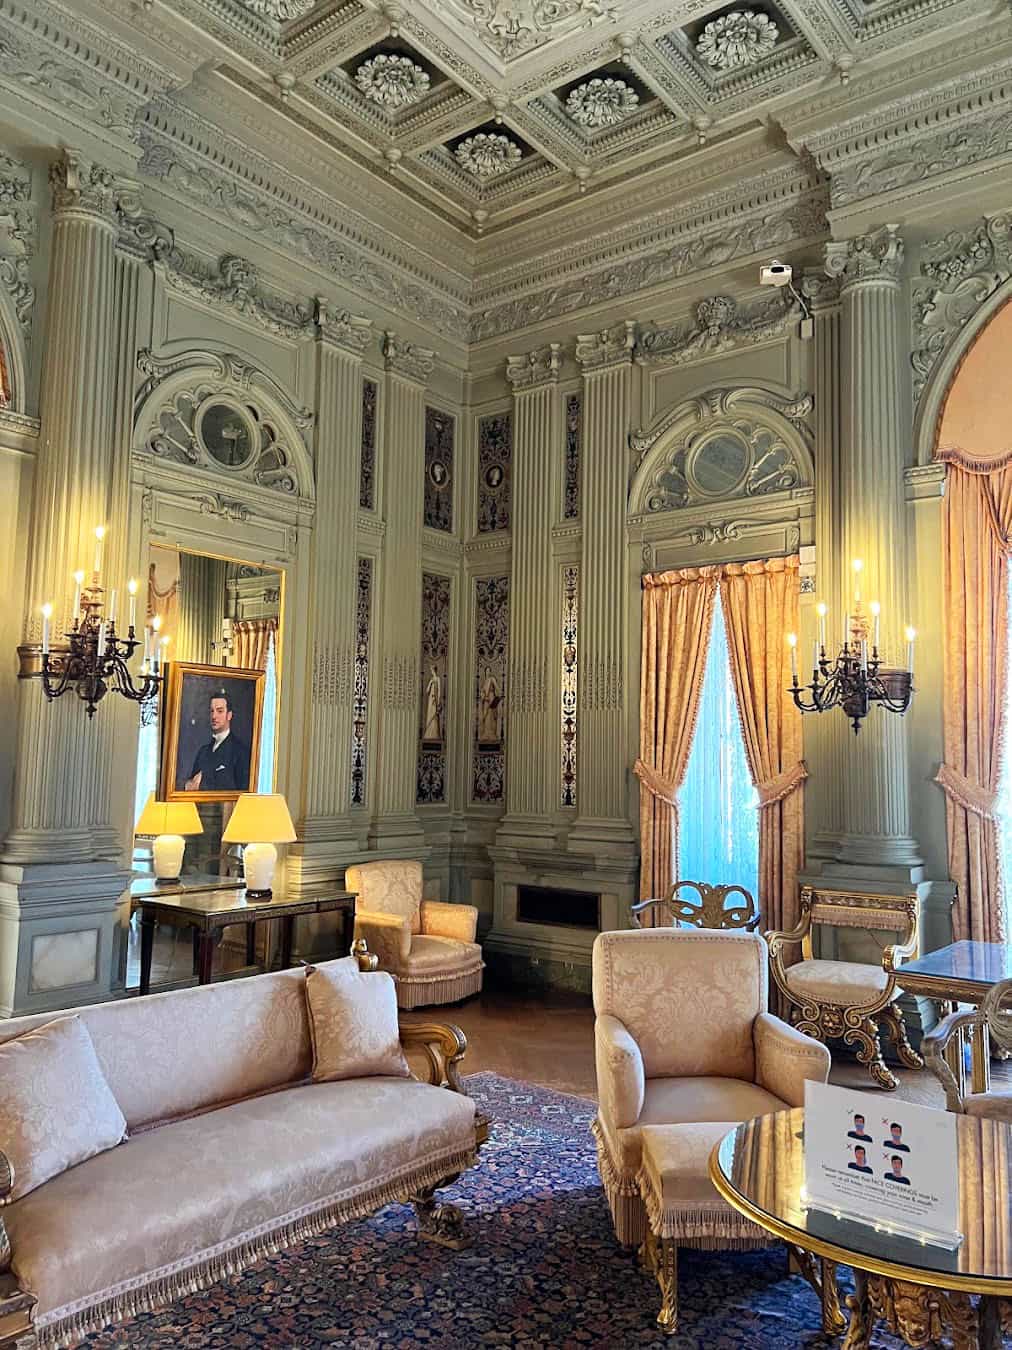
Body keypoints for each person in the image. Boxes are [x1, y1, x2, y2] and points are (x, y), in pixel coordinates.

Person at [184, 691, 250, 791]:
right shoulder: (203, 752)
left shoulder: (240, 751)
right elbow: (190, 784)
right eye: (212, 711)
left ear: (229, 715)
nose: (214, 716)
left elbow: (240, 791)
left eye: (219, 711)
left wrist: (201, 785)